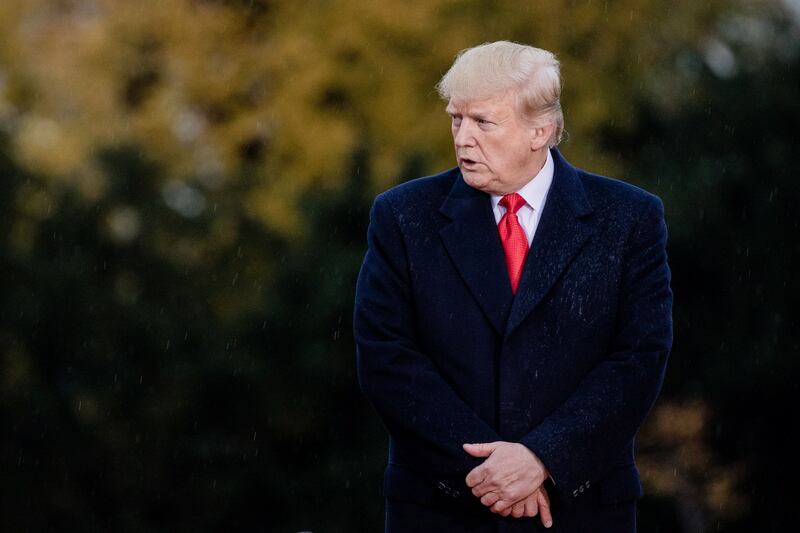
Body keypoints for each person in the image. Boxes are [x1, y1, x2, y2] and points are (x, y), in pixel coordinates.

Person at [353, 41, 673, 533]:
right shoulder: (402, 215)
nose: (463, 139)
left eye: (484, 122)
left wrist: (544, 458)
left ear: (540, 131)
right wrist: (489, 474)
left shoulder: (628, 218)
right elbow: (387, 357)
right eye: (456, 119)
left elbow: (639, 359)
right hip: (441, 509)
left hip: (581, 509)